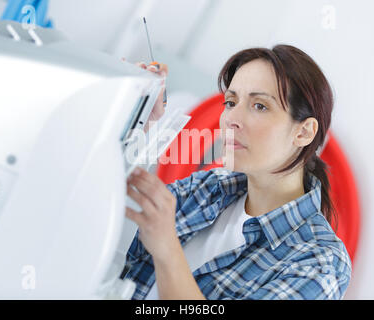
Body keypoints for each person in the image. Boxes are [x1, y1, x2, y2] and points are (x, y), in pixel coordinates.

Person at [122, 45, 352, 300]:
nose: (232, 118)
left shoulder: (320, 263)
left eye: (260, 106)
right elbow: (106, 198)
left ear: (304, 132)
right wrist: (134, 122)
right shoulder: (206, 189)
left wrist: (167, 250)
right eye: (231, 102)